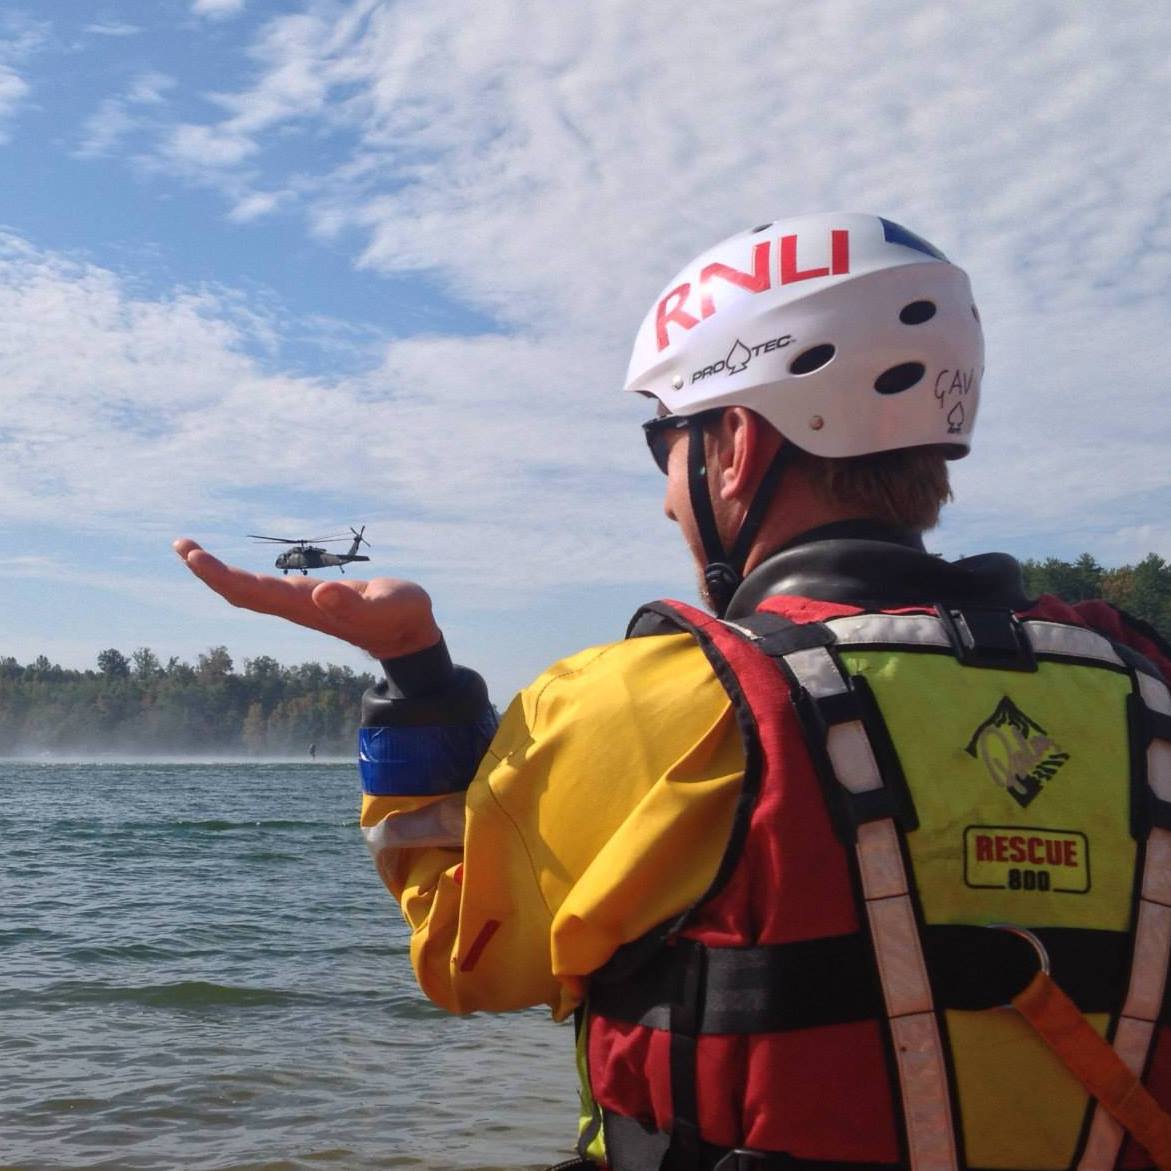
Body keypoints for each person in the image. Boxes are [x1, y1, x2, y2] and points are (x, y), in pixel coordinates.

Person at [176, 212, 1171, 1171]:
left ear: (736, 445)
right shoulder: (1147, 691)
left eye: (667, 443)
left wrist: (416, 671)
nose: (663, 491)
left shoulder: (650, 697)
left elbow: (460, 952)